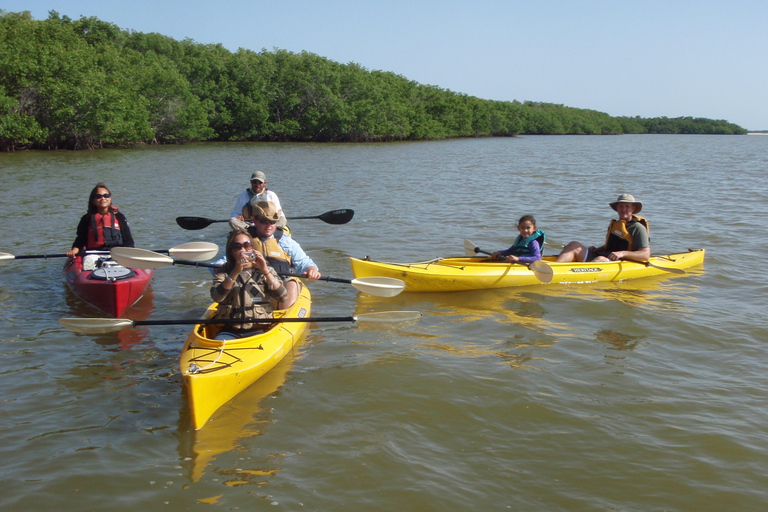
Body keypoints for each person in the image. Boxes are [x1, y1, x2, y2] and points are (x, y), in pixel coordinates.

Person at [211, 230, 289, 338]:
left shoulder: (265, 270)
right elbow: (217, 297)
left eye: (247, 245)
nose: (243, 250)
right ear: (231, 252)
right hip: (230, 330)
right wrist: (236, 271)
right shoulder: (224, 272)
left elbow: (283, 297)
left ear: (252, 248)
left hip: (259, 330)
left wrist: (265, 270)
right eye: (237, 247)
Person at [248, 201, 321, 309]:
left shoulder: (286, 242)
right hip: (252, 283)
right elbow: (224, 261)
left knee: (291, 284)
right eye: (264, 221)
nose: (269, 225)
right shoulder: (244, 240)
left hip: (281, 284)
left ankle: (284, 313)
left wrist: (312, 270)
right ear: (255, 221)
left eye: (272, 222)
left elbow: (304, 262)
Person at [556, 193, 650, 263]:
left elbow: (645, 254)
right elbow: (612, 246)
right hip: (606, 256)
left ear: (633, 209)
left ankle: (578, 275)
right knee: (574, 245)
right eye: (621, 206)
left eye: (627, 206)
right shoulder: (615, 224)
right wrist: (598, 249)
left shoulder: (638, 228)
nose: (623, 209)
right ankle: (555, 269)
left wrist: (622, 253)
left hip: (621, 261)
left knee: (600, 259)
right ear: (617, 208)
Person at [66, 183, 134, 259]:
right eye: (98, 196)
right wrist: (74, 250)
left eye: (106, 195)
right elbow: (80, 240)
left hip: (116, 253)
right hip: (94, 254)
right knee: (89, 261)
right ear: (93, 200)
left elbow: (128, 240)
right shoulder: (86, 218)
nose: (103, 198)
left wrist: (127, 253)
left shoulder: (119, 216)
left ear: (110, 198)